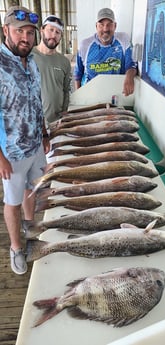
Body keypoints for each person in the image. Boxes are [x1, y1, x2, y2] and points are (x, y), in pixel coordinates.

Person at [0, 5, 50, 275]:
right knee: (13, 201)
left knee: (33, 190)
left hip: (34, 145)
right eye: (20, 31)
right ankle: (17, 248)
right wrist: (0, 158)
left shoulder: (30, 60)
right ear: (6, 30)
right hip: (11, 153)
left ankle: (30, 230)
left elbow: (36, 101)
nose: (26, 38)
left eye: (31, 33)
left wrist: (44, 134)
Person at [74, 7, 138, 96]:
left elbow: (131, 64)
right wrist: (78, 96)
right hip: (90, 94)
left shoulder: (123, 39)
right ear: (96, 26)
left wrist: (129, 78)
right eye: (101, 25)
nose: (105, 29)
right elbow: (78, 74)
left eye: (109, 24)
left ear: (115, 26)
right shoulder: (85, 45)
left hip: (116, 94)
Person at [32, 15, 71, 123]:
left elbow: (66, 90)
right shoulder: (28, 56)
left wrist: (64, 111)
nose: (53, 35)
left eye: (58, 32)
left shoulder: (64, 62)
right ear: (42, 30)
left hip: (56, 122)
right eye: (51, 30)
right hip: (33, 124)